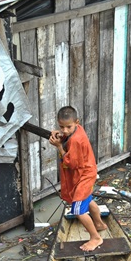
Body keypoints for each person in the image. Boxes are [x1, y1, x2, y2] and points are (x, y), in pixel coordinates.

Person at [48, 106, 106, 251]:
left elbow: (71, 164)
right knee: (87, 199)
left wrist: (59, 146)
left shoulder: (76, 141)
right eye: (61, 127)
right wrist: (61, 135)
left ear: (76, 122)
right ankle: (99, 224)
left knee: (78, 210)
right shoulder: (78, 129)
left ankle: (96, 238)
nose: (65, 130)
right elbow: (68, 136)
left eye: (68, 127)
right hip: (88, 171)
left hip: (84, 175)